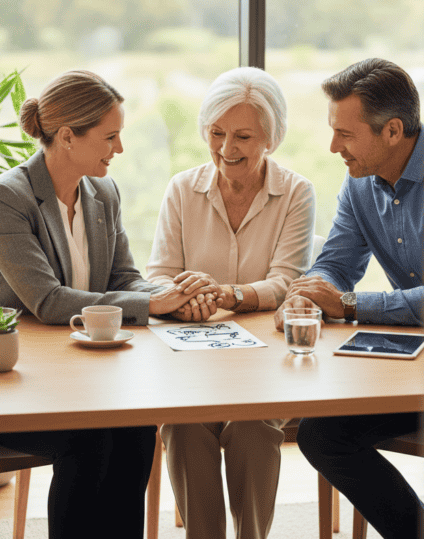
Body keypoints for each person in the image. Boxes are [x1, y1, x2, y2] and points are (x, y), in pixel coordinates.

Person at [0, 70, 218, 539]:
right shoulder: (7, 197)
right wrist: (152, 307)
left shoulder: (103, 193)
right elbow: (48, 301)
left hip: (83, 377)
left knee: (136, 431)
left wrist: (172, 299)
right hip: (7, 381)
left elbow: (125, 278)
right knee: (90, 441)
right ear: (67, 137)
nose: (118, 149)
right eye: (110, 136)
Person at [146, 66, 316, 539]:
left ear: (271, 138)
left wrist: (231, 295)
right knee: (184, 425)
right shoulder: (182, 188)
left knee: (252, 426)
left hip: (265, 363)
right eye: (217, 133)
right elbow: (156, 275)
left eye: (242, 136)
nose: (226, 148)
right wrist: (182, 299)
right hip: (191, 358)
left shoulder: (296, 193)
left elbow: (288, 281)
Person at [274, 58, 424, 539]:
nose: (332, 147)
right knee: (322, 434)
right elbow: (338, 261)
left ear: (392, 131)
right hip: (421, 360)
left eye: (344, 133)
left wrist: (346, 305)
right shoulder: (359, 181)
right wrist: (309, 292)